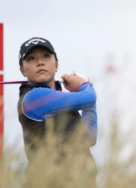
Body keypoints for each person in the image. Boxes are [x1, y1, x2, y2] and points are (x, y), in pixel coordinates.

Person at [17, 37, 97, 188]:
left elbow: (89, 138)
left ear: (56, 65)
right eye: (31, 58)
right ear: (22, 70)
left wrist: (87, 98)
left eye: (46, 56)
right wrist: (84, 84)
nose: (40, 62)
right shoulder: (32, 98)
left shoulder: (61, 100)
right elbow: (89, 97)